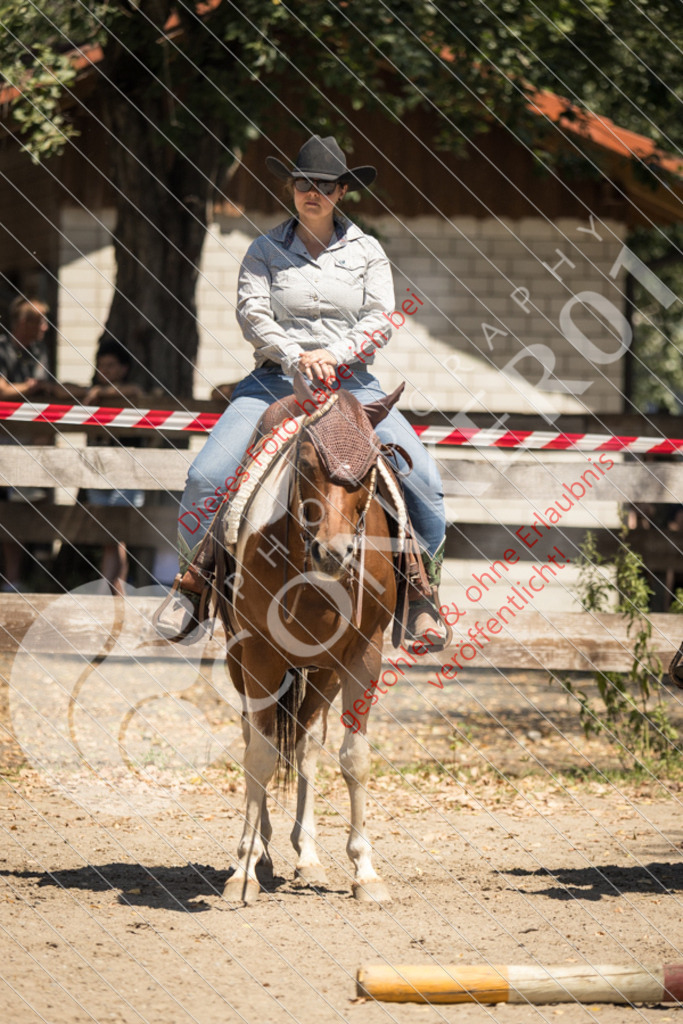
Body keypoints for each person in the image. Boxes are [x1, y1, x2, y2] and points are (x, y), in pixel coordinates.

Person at [163, 135, 448, 646]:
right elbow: (253, 314)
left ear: (341, 191)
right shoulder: (263, 249)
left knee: (423, 476)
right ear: (291, 188)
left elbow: (381, 319)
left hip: (353, 384)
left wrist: (332, 356)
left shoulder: (368, 252)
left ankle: (420, 596)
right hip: (273, 381)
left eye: (322, 185)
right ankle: (195, 586)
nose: (310, 192)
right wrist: (298, 357)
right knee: (206, 476)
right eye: (301, 183)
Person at [84, 338, 145, 595]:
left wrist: (100, 393)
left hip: (125, 473)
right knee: (110, 537)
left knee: (117, 535)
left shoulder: (129, 393)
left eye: (110, 365)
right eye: (101, 366)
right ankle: (113, 589)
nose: (105, 372)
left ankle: (111, 589)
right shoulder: (91, 394)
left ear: (124, 368)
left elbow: (136, 392)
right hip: (98, 472)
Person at [0, 297, 53, 591]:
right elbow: (2, 390)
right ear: (24, 322)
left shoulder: (38, 351)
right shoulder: (2, 349)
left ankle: (15, 579)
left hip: (26, 444)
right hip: (5, 442)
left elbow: (43, 388)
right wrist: (28, 388)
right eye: (40, 320)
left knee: (21, 510)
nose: (45, 327)